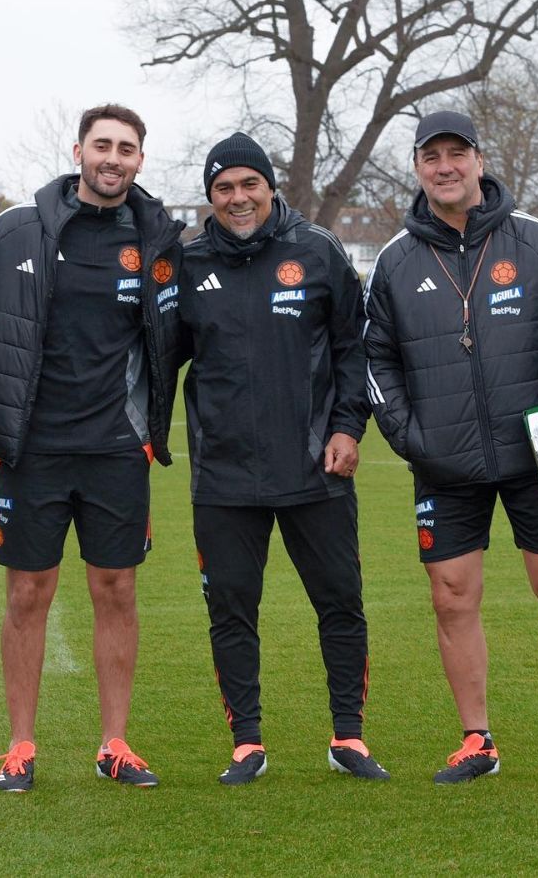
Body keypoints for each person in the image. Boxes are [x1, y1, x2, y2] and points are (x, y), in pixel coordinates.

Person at [364, 111, 538, 789]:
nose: (445, 166)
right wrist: (410, 438)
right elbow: (374, 358)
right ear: (416, 167)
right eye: (431, 156)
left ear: (479, 159)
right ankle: (477, 740)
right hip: (443, 460)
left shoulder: (535, 242)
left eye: (457, 153)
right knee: (451, 597)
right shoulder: (394, 260)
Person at [0, 104, 182, 791]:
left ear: (140, 160)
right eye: (102, 145)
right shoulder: (15, 230)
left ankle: (115, 743)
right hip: (32, 449)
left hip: (118, 448)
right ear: (79, 151)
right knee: (28, 593)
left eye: (126, 148)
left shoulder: (157, 238)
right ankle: (20, 747)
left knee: (115, 589)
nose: (113, 157)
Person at [178, 132, 386, 785]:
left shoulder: (317, 251)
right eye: (224, 189)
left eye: (248, 185)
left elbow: (356, 350)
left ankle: (348, 737)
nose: (238, 199)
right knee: (232, 608)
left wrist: (349, 427)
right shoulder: (187, 264)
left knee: (341, 603)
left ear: (270, 187)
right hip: (224, 474)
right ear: (210, 197)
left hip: (315, 468)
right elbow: (156, 356)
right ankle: (247, 743)